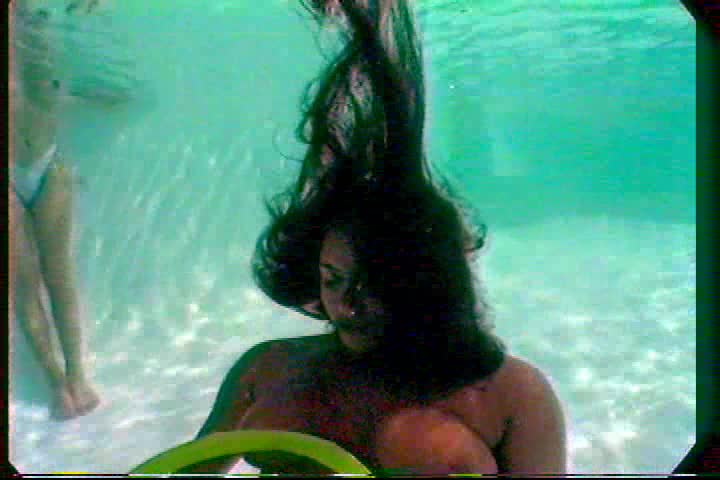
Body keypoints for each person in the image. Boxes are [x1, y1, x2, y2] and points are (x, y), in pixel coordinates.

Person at [190, 0, 567, 474]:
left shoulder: (512, 394)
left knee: (413, 439)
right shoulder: (267, 368)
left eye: (376, 284)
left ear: (428, 282)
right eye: (332, 279)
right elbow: (189, 470)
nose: (347, 305)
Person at [9, 0, 105, 420]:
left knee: (60, 276)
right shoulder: (32, 33)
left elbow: (61, 90)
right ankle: (56, 382)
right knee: (25, 284)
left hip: (48, 162)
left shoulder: (37, 30)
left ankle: (77, 376)